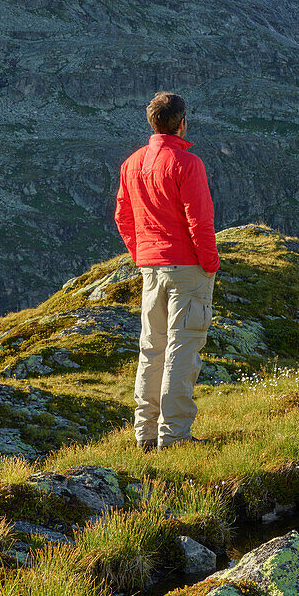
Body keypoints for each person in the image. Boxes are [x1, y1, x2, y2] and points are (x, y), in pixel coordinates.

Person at [114, 92, 220, 451]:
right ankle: (174, 437)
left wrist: (141, 252)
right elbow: (199, 220)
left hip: (151, 267)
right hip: (187, 268)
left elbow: (122, 217)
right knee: (182, 350)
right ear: (182, 122)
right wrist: (210, 264)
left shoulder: (132, 164)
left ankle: (144, 434)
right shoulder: (187, 164)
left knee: (151, 349)